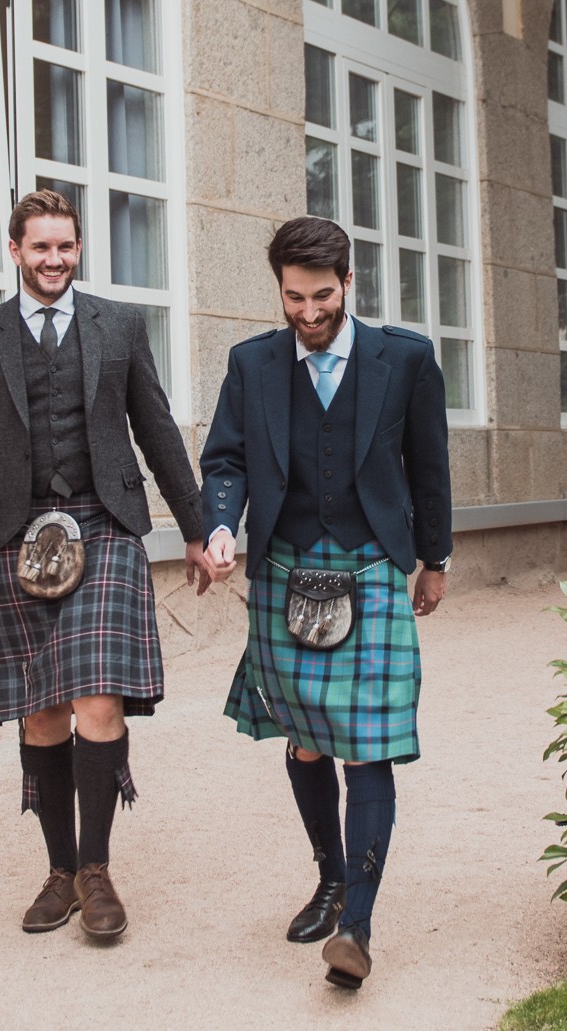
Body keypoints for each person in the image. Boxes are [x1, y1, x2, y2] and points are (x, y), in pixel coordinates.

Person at [0, 189, 213, 942]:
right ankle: (59, 867)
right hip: (16, 534)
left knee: (97, 702)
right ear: (14, 251)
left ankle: (97, 869)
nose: (55, 259)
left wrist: (199, 530)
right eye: (40, 247)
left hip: (103, 522)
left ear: (79, 249)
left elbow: (157, 431)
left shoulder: (120, 324)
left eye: (66, 246)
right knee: (41, 710)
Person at [200, 216, 452, 992]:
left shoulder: (404, 359)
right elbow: (227, 458)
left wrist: (434, 557)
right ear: (278, 288)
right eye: (293, 297)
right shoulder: (252, 364)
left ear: (348, 282)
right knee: (307, 737)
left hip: (372, 561)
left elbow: (429, 465)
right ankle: (331, 877)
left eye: (321, 296)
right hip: (284, 563)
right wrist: (217, 523)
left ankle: (358, 926)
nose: (308, 313)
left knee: (368, 743)